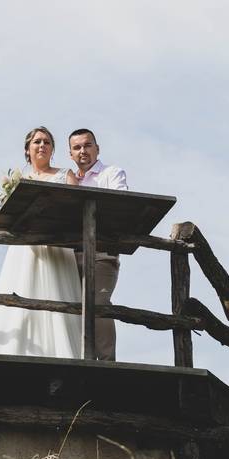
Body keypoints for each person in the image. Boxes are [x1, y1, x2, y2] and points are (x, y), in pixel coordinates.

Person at [0, 126, 82, 358]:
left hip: (56, 246)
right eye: (37, 142)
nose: (42, 146)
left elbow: (75, 209)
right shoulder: (20, 180)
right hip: (25, 248)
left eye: (47, 142)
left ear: (53, 149)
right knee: (21, 289)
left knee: (58, 293)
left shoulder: (65, 175)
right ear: (28, 150)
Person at [67, 128, 128, 361]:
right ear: (71, 154)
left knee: (99, 304)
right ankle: (78, 359)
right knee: (69, 306)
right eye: (77, 147)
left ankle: (106, 362)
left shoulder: (111, 174)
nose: (83, 151)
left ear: (97, 148)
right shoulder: (68, 178)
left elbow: (120, 206)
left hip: (101, 253)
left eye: (87, 145)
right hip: (69, 255)